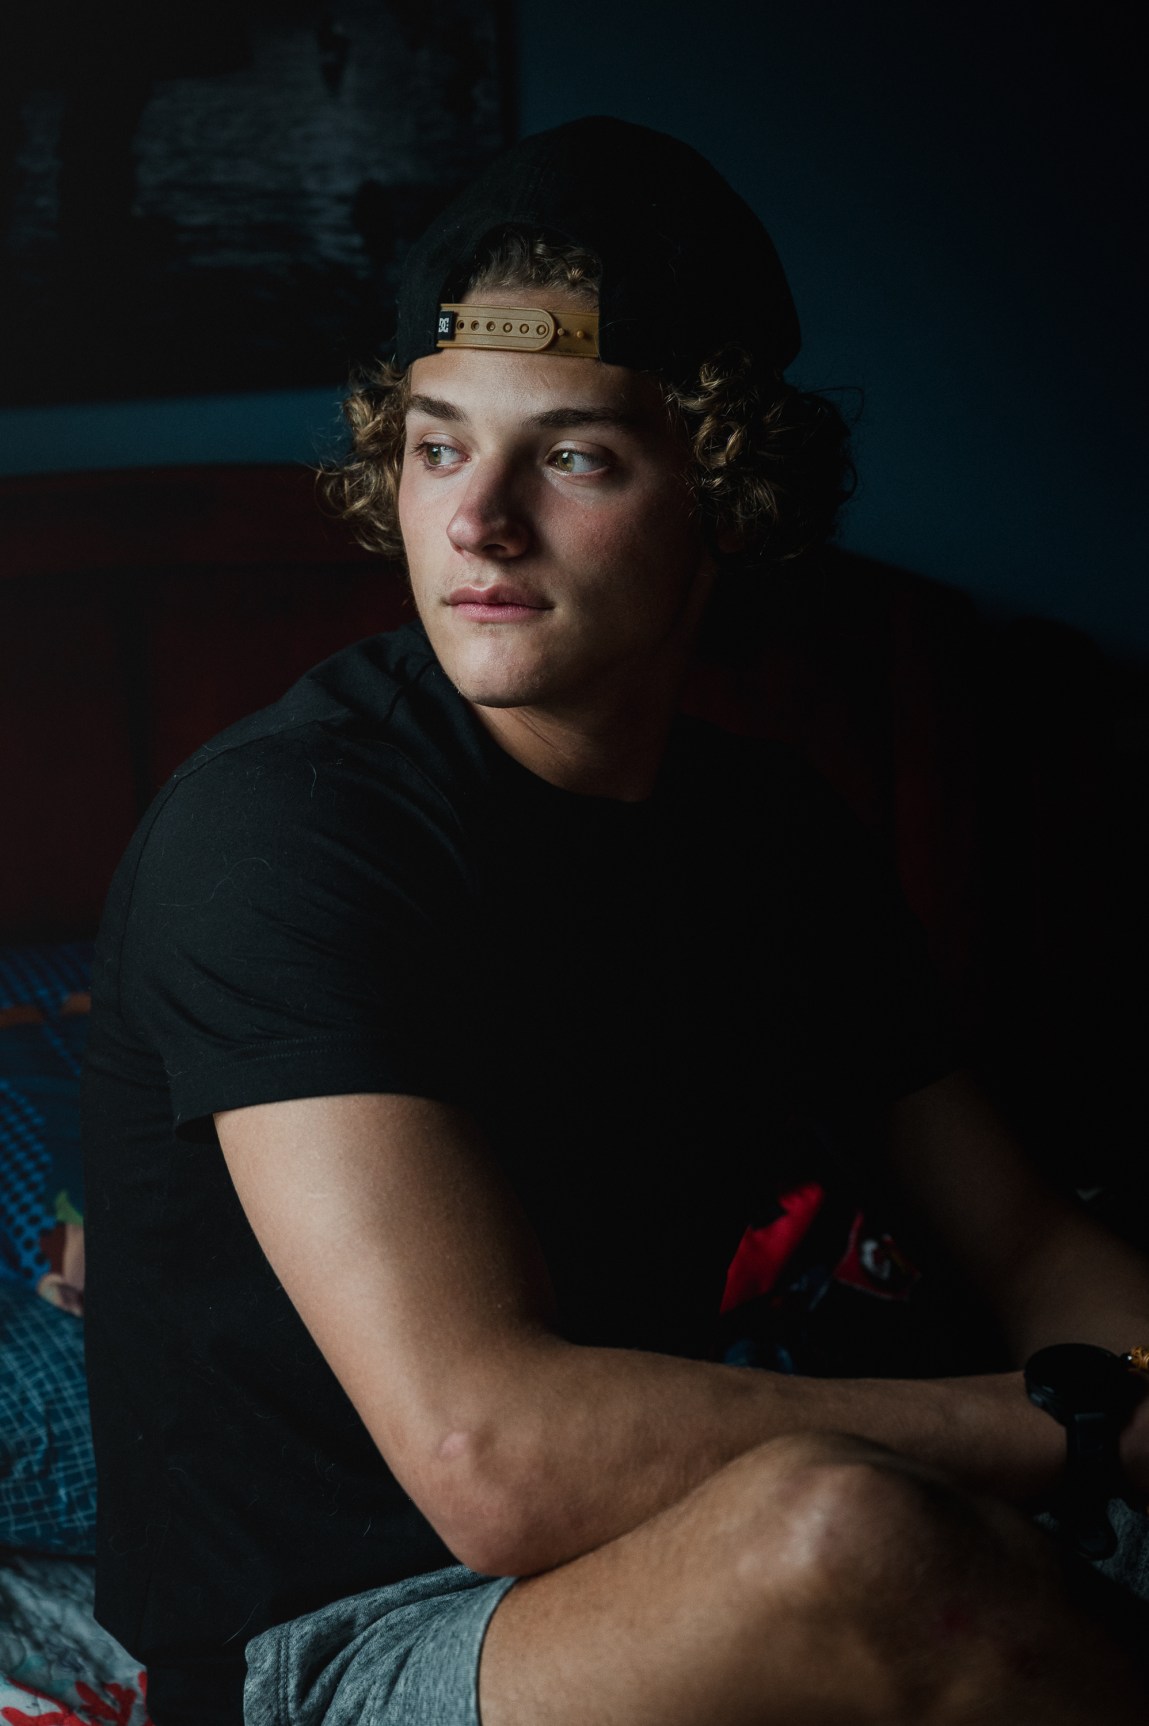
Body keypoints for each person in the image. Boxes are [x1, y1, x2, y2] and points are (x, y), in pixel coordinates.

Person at [81, 116, 1149, 1726]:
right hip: (337, 1646)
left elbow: (1022, 1243)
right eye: (437, 445)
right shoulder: (284, 831)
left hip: (657, 1550)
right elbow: (490, 1461)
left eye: (571, 455)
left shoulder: (775, 835)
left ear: (725, 494)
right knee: (845, 1532)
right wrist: (1079, 1424)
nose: (479, 522)